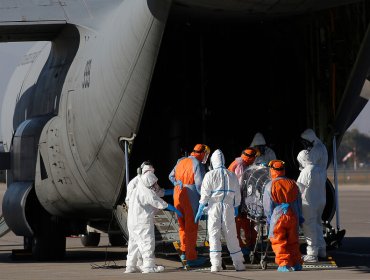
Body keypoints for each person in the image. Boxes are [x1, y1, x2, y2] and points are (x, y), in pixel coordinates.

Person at [125, 161, 183, 273]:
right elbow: (158, 200)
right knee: (147, 242)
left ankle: (131, 266)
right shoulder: (142, 188)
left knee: (134, 244)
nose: (155, 185)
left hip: (132, 220)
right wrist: (174, 209)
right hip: (142, 221)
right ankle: (149, 266)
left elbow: (158, 192)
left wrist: (174, 191)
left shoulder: (140, 186)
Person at [194, 149, 245, 272]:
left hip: (214, 208)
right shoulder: (231, 175)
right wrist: (236, 206)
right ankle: (239, 264)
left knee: (214, 235)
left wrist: (200, 208)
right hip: (228, 208)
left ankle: (216, 265)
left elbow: (205, 194)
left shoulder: (209, 175)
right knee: (232, 235)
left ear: (213, 161)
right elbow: (237, 194)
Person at [168, 144, 210, 267]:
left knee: (182, 225)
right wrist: (205, 199)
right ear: (201, 153)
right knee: (191, 227)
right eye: (205, 154)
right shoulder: (197, 164)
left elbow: (170, 176)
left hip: (177, 194)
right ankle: (191, 257)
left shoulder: (181, 161)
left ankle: (184, 251)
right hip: (190, 196)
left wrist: (177, 183)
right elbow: (199, 185)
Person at [263, 160, 304, 272]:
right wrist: (300, 217)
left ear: (272, 170)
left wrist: (269, 220)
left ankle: (284, 264)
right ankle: (297, 263)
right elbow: (298, 203)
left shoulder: (269, 185)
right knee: (293, 241)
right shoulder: (293, 184)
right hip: (293, 216)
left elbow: (268, 206)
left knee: (279, 241)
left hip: (278, 217)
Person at [297, 150, 327, 262]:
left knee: (309, 227)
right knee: (318, 224)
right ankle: (322, 249)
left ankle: (312, 254)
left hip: (309, 203)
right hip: (320, 202)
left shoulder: (306, 171)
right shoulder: (320, 169)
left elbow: (299, 188)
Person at [228, 147, 258, 257]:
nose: (255, 160)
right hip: (238, 197)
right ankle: (242, 246)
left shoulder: (240, 162)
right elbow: (240, 183)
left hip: (237, 197)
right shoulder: (240, 165)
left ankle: (246, 244)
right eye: (254, 157)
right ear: (249, 157)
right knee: (240, 221)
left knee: (242, 221)